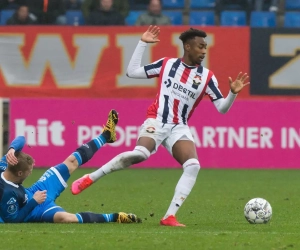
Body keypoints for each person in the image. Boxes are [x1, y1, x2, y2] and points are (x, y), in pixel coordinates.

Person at [71, 26, 250, 226]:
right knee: (140, 154)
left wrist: (233, 93)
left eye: (206, 47)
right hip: (156, 120)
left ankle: (169, 216)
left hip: (179, 126)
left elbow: (222, 109)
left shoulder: (207, 77)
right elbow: (131, 72)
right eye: (200, 47)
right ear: (187, 47)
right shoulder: (167, 64)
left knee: (193, 166)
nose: (204, 51)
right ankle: (91, 177)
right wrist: (142, 44)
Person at [0, 110, 141, 224]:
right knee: (66, 218)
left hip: (36, 191)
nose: (31, 172)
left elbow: (21, 138)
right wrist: (34, 202)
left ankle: (106, 135)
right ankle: (115, 217)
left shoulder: (5, 163)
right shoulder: (7, 194)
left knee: (71, 161)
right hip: (33, 209)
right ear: (19, 173)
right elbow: (14, 220)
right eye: (29, 171)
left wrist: (12, 149)